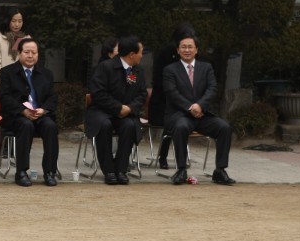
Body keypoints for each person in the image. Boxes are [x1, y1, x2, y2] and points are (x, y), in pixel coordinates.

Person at [162, 33, 235, 185]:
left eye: (190, 47)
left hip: (202, 114)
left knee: (224, 128)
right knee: (181, 127)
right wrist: (190, 107)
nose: (187, 50)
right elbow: (172, 93)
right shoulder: (170, 70)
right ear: (178, 50)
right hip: (180, 114)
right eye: (183, 47)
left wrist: (200, 105)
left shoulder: (206, 67)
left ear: (196, 50)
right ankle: (181, 170)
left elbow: (212, 88)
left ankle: (220, 170)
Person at [84, 36, 148, 184]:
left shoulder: (137, 70)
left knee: (130, 126)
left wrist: (130, 108)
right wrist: (118, 108)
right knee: (104, 125)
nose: (142, 56)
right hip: (102, 111)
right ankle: (109, 171)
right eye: (141, 52)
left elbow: (142, 94)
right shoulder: (106, 67)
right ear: (131, 54)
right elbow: (98, 94)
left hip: (126, 113)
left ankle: (121, 169)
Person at [0, 37, 60, 187]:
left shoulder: (46, 74)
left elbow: (53, 97)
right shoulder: (8, 72)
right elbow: (4, 97)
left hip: (39, 115)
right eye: (27, 52)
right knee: (26, 126)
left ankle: (50, 172)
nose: (30, 56)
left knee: (50, 126)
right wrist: (22, 111)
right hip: (17, 116)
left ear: (38, 55)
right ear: (19, 53)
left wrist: (43, 110)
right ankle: (21, 172)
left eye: (34, 52)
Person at [150, 23, 195, 170]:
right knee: (173, 120)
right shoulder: (165, 54)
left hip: (183, 103)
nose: (187, 48)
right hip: (162, 102)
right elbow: (159, 81)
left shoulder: (191, 56)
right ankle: (164, 157)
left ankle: (179, 158)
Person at [0, 8, 26, 85]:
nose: (17, 24)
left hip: (21, 82)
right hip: (2, 81)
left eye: (20, 21)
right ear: (7, 21)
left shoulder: (26, 38)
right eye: (13, 21)